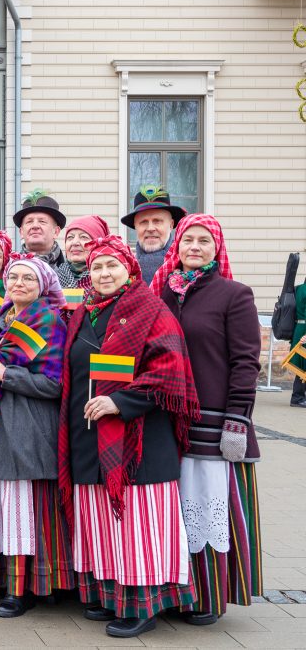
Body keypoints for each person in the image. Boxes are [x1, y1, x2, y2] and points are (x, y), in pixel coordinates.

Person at [60, 235, 199, 639]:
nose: (103, 274)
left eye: (111, 266)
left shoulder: (151, 309)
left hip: (138, 439)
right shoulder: (84, 312)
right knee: (102, 520)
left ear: (130, 269)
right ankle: (112, 596)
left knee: (137, 523)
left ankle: (143, 605)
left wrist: (121, 402)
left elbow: (170, 371)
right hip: (88, 432)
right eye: (97, 267)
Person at [151, 214, 263, 624]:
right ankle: (174, 591)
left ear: (217, 248)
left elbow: (246, 362)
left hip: (215, 422)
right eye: (187, 241)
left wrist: (237, 419)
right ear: (175, 247)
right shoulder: (162, 292)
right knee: (174, 507)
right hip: (167, 419)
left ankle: (210, 596)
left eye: (203, 241)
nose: (194, 247)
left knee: (209, 505)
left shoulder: (234, 294)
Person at [0, 255, 73, 618]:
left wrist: (6, 375)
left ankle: (27, 589)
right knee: (8, 508)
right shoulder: (2, 319)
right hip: (2, 423)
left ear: (44, 285)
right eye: (13, 277)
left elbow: (55, 384)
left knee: (27, 510)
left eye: (27, 279)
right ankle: (12, 583)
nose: (18, 283)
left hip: (30, 425)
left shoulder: (48, 320)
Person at [121, 185, 185, 284]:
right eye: (143, 222)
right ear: (135, 226)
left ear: (171, 225)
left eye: (157, 221)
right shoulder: (123, 268)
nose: (150, 228)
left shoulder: (187, 264)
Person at [14, 189, 72, 287]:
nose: (35, 226)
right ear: (21, 232)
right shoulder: (7, 271)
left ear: (56, 231)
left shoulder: (71, 273)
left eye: (42, 221)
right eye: (29, 222)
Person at [61, 215, 109, 290]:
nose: (75, 243)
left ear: (99, 244)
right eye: (70, 237)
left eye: (83, 237)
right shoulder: (53, 278)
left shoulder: (110, 278)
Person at [292, 274, 306, 408]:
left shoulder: (299, 289)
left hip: (299, 328)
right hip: (304, 329)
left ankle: (299, 396)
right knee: (304, 365)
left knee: (301, 365)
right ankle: (298, 397)